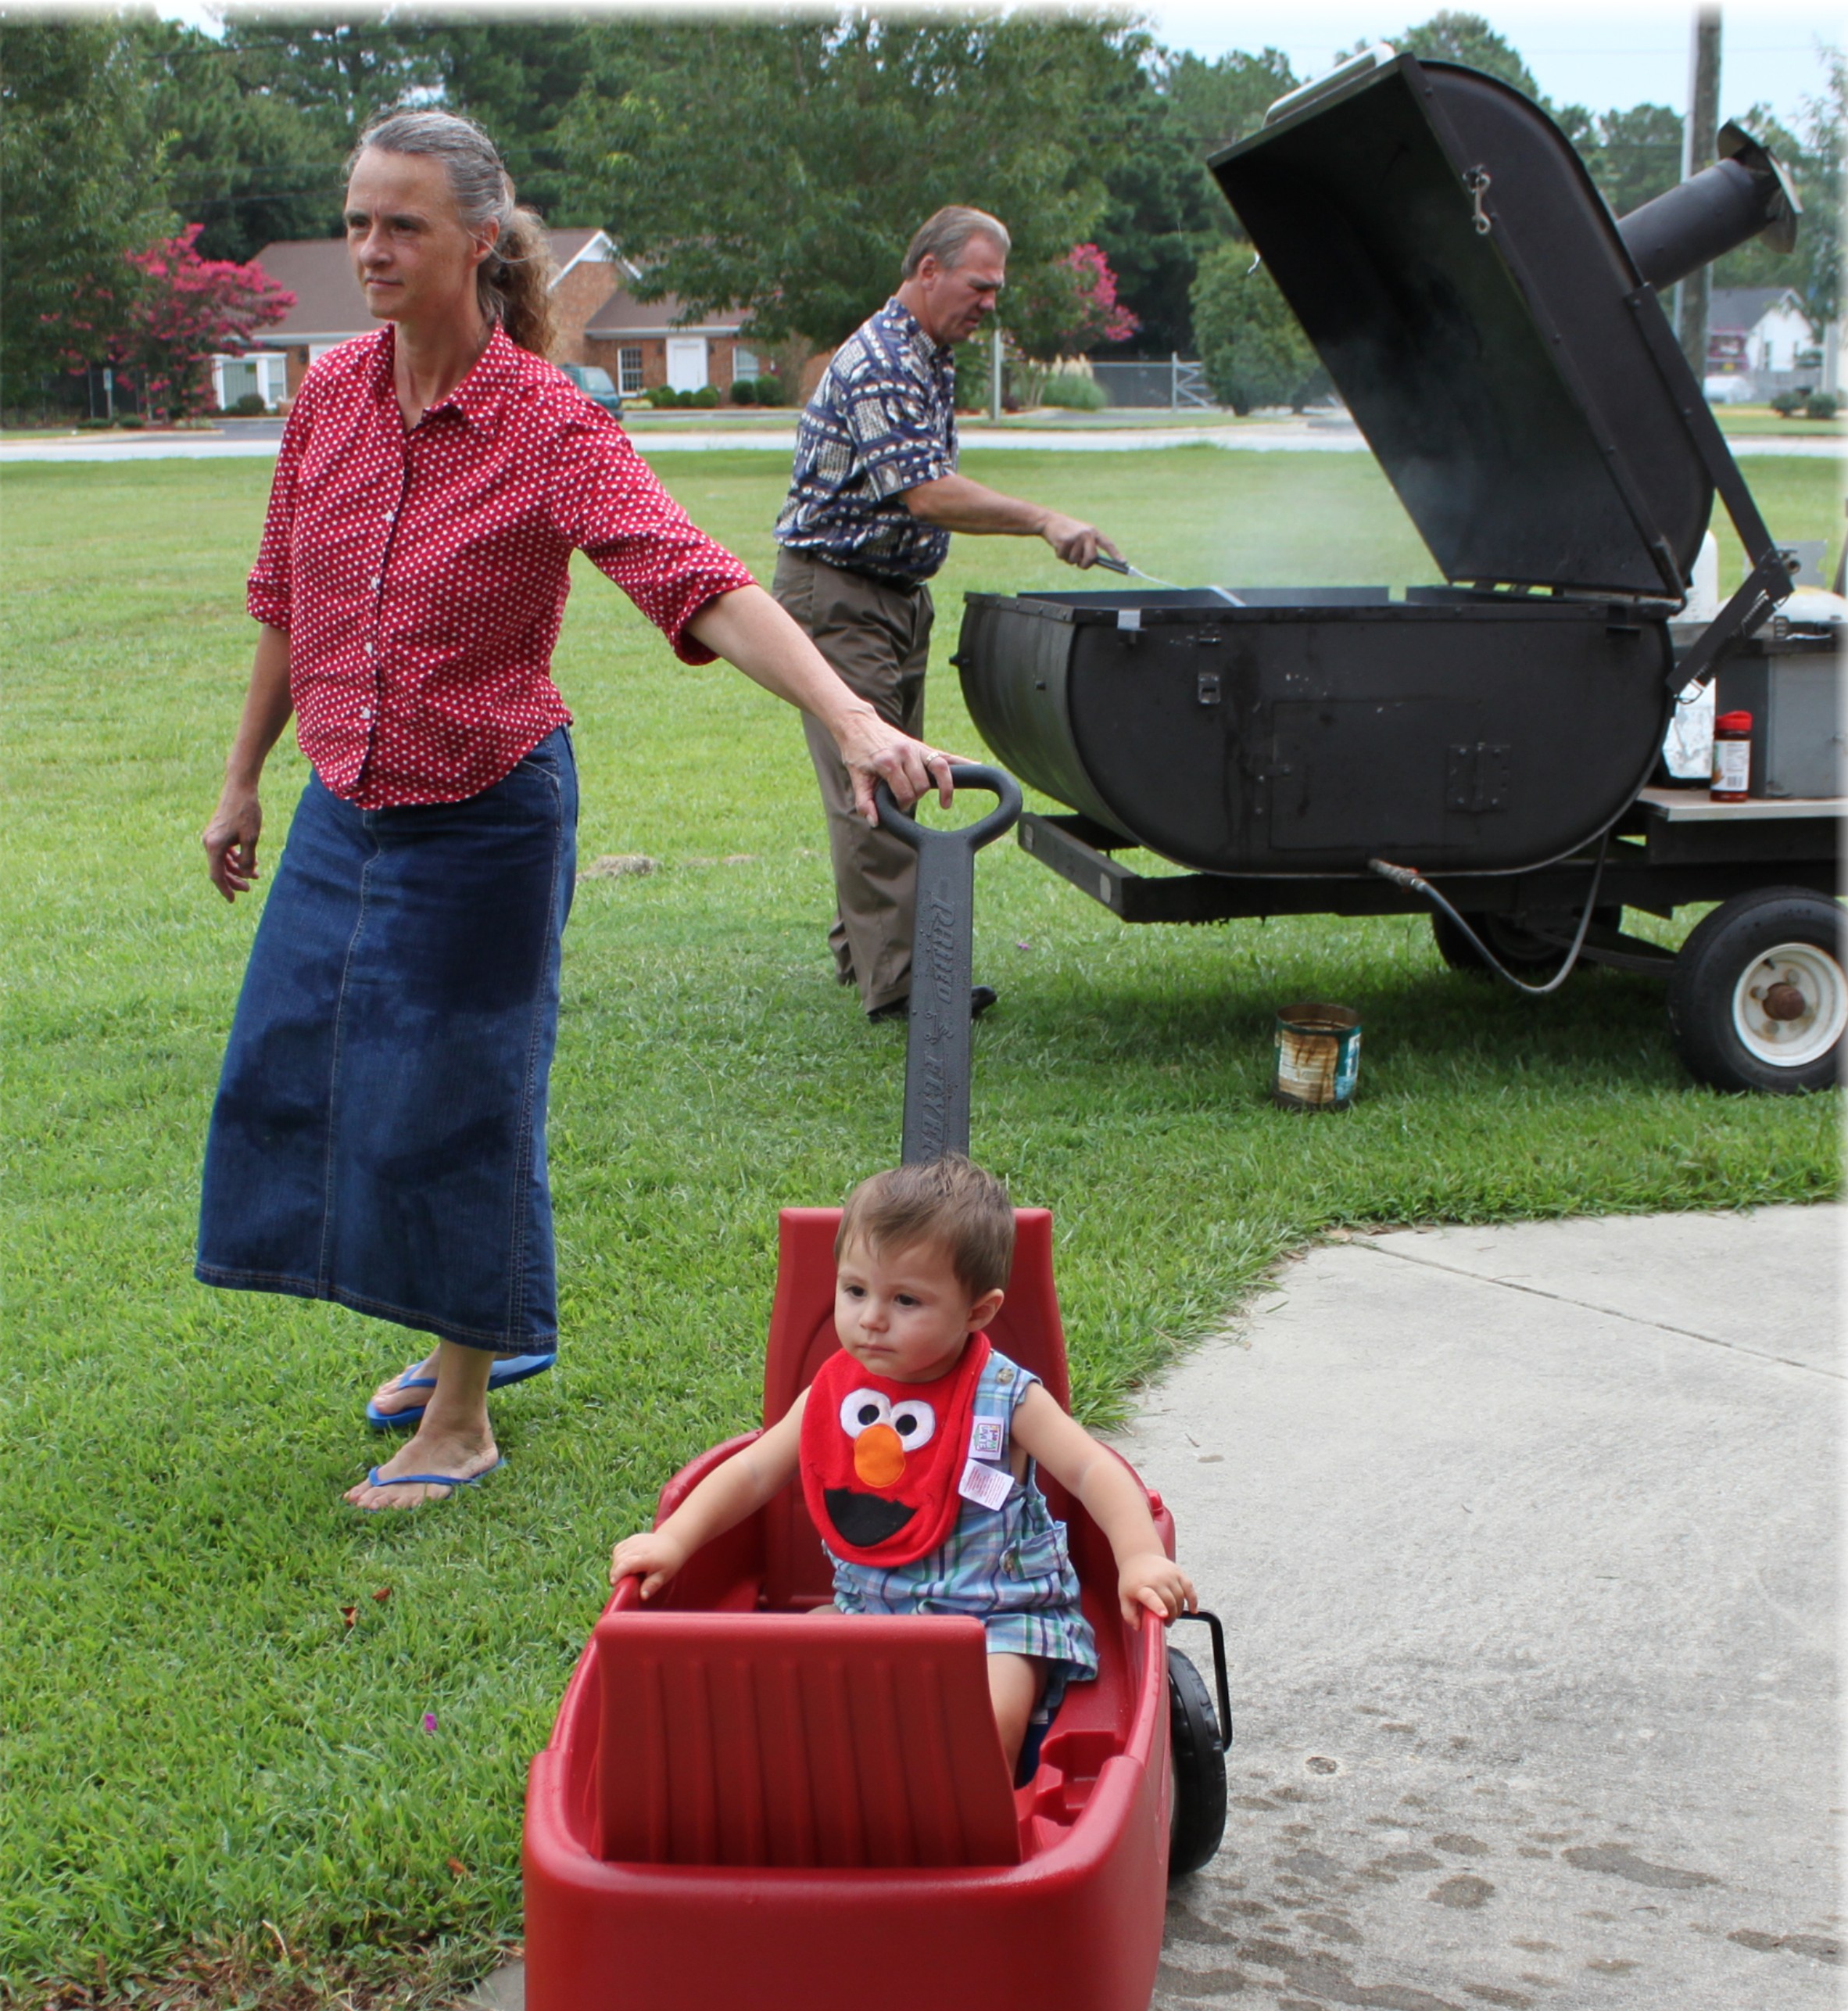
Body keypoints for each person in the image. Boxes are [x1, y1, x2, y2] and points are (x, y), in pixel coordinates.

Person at [195, 109, 952, 1512]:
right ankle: (484, 1324)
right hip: (344, 801)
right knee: (304, 1073)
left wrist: (850, 714)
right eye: (358, 220)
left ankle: (462, 1413)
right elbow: (285, 597)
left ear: (479, 239)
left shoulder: (547, 420)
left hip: (488, 810)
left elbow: (698, 578)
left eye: (403, 223)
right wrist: (245, 778)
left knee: (462, 1101)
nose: (370, 248)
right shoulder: (331, 395)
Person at [610, 1156, 1195, 1773]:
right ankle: (825, 1790)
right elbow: (753, 1472)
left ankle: (970, 1807)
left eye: (906, 1300)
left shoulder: (1005, 1397)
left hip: (995, 1618)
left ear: (978, 1312)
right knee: (788, 1678)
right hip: (871, 1610)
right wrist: (674, 1539)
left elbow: (1090, 1470)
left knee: (987, 1716)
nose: (871, 1318)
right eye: (855, 1290)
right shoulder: (834, 1395)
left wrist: (1139, 1557)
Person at [772, 206, 1123, 1024]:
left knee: (893, 777)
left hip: (891, 595)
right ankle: (902, 986)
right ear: (927, 270)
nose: (990, 303)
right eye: (979, 285)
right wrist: (1042, 519)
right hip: (840, 594)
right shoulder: (885, 359)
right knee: (876, 785)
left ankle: (864, 952)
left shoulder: (929, 355)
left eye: (996, 288)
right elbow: (925, 491)